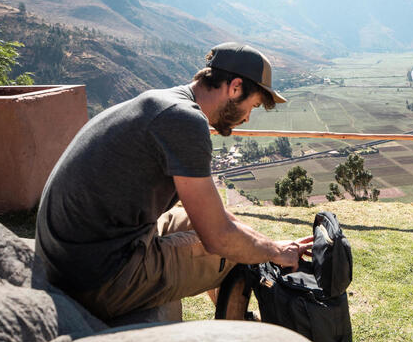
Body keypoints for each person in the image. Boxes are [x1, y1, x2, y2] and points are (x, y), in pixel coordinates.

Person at [35, 42, 313, 321]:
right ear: (235, 87)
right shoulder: (185, 122)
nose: (247, 117)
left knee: (232, 232)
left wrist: (266, 242)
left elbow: (215, 216)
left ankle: (233, 317)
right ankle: (239, 338)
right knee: (237, 251)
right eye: (250, 106)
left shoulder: (165, 102)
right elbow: (219, 237)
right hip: (100, 278)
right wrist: (274, 251)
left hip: (67, 258)